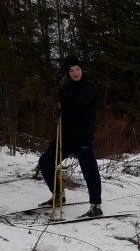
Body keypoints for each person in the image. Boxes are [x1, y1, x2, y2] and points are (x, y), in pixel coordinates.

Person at [37, 55, 102, 218]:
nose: (75, 73)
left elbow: (76, 105)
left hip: (83, 136)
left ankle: (96, 205)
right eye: (71, 70)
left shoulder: (89, 86)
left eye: (77, 69)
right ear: (67, 72)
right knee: (45, 162)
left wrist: (63, 103)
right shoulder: (65, 86)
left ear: (82, 69)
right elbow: (64, 105)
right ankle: (58, 194)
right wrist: (58, 110)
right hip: (65, 135)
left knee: (90, 171)